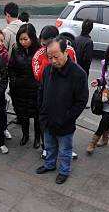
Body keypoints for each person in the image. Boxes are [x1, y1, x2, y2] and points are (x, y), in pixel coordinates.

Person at [36, 37, 88, 185]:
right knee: (49, 146)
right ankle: (49, 165)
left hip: (65, 122)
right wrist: (41, 111)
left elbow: (81, 101)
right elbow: (41, 91)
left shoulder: (78, 74)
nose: (53, 61)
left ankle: (64, 171)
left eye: (56, 56)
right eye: (49, 57)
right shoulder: (47, 70)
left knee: (65, 150)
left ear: (66, 52)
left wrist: (67, 117)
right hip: (47, 119)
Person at [32, 25, 78, 160]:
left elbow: (74, 70)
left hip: (66, 100)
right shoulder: (39, 54)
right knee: (48, 130)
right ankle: (47, 150)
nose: (45, 46)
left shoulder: (69, 50)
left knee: (66, 132)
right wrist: (50, 61)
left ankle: (67, 152)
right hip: (48, 99)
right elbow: (38, 76)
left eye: (47, 43)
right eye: (43, 43)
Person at [8, 23, 41, 147]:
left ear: (32, 38)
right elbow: (11, 67)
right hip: (20, 89)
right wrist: (13, 80)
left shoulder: (39, 51)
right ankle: (25, 135)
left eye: (25, 39)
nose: (23, 42)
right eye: (20, 39)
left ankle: (37, 138)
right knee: (24, 114)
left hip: (35, 89)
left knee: (37, 115)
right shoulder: (16, 50)